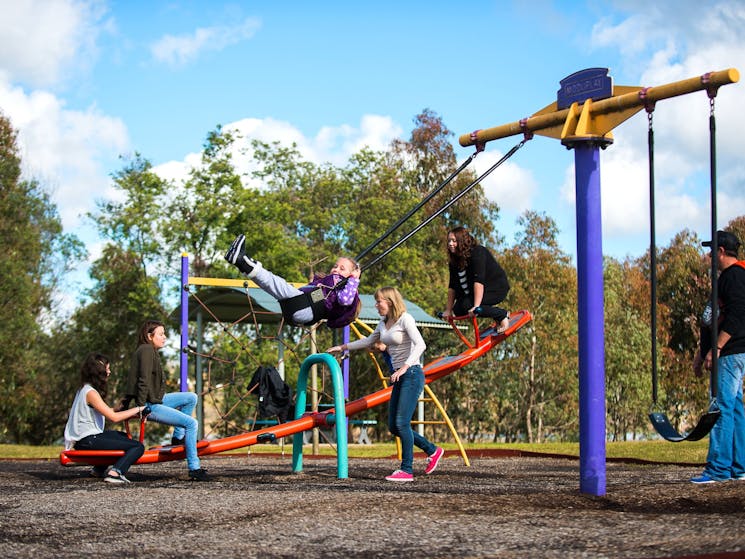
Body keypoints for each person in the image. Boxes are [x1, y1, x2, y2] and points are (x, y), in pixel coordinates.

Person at [327, 286, 444, 482]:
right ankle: (432, 450)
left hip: (412, 373)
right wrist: (342, 347)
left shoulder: (405, 319)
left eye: (379, 301)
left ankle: (406, 470)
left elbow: (421, 344)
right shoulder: (383, 323)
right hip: (399, 376)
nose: (376, 305)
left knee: (402, 423)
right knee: (394, 426)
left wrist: (405, 367)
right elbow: (368, 341)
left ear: (389, 301)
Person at [121, 320, 209, 481]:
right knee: (192, 423)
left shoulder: (148, 350)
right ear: (149, 336)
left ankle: (177, 437)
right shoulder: (147, 350)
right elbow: (142, 380)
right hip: (149, 404)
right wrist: (141, 408)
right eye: (161, 334)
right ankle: (194, 468)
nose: (165, 337)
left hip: (156, 400)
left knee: (191, 397)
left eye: (164, 334)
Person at [690, 230, 745, 484]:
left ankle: (718, 468)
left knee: (721, 407)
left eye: (713, 250)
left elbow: (737, 315)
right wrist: (702, 351)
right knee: (734, 406)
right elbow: (711, 319)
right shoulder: (729, 277)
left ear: (722, 252)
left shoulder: (733, 277)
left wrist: (718, 347)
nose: (710, 255)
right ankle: (738, 465)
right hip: (732, 351)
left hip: (732, 351)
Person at [225, 233, 361, 328]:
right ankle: (243, 264)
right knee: (274, 285)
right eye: (335, 266)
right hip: (299, 308)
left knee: (276, 283)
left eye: (342, 269)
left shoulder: (345, 289)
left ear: (350, 275)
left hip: (305, 308)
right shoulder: (327, 288)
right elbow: (318, 296)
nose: (336, 270)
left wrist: (354, 279)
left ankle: (243, 261)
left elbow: (345, 300)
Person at [64, 353, 147, 484]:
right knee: (137, 447)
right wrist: (139, 409)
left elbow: (108, 411)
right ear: (98, 372)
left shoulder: (85, 389)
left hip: (87, 438)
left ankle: (98, 469)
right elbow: (113, 418)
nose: (109, 372)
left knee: (122, 436)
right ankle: (115, 473)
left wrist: (120, 406)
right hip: (88, 440)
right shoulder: (90, 392)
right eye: (107, 369)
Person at [442, 226, 511, 333]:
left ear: (462, 241)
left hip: (496, 288)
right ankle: (495, 315)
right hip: (475, 291)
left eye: (454, 241)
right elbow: (452, 286)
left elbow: (478, 280)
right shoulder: (454, 261)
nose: (450, 244)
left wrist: (476, 306)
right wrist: (448, 310)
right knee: (458, 309)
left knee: (468, 306)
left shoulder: (478, 252)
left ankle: (502, 315)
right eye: (449, 241)